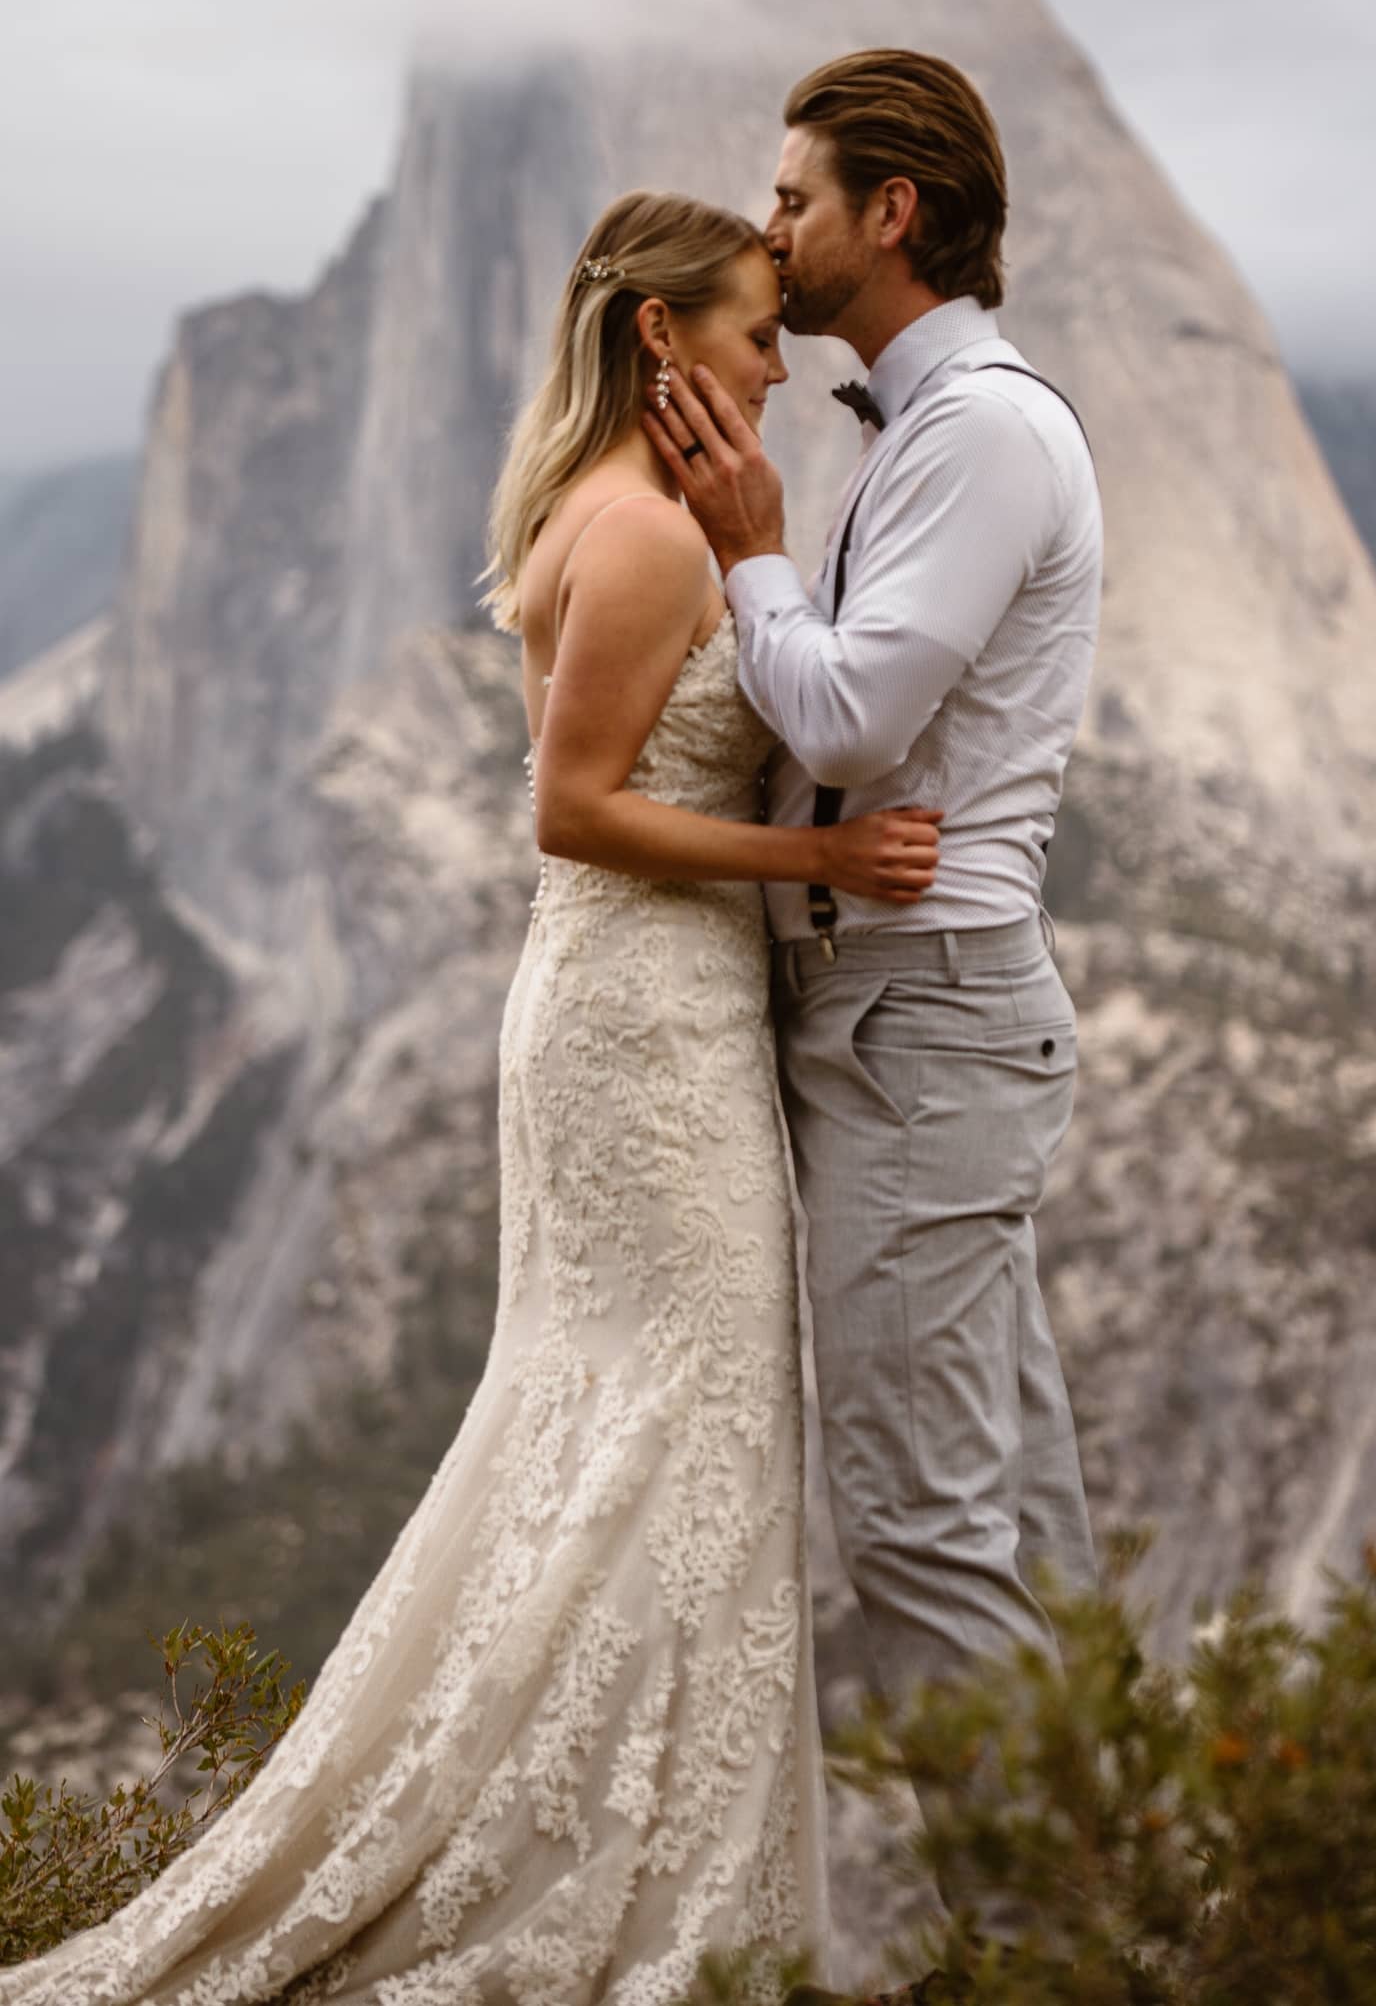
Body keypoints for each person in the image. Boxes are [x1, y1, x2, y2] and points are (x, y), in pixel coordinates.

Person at [0, 190, 943, 2006]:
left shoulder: (605, 508)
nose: (776, 357)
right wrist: (823, 853)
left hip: (623, 1012)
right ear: (664, 340)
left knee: (613, 1435)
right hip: (644, 1024)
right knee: (678, 1431)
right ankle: (635, 1901)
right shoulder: (655, 538)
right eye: (755, 328)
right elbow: (570, 804)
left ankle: (616, 1859)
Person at [647, 54, 1103, 1971]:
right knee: (1018, 1519)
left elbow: (847, 724)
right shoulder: (923, 426)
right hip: (903, 1021)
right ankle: (1131, 1922)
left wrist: (751, 542)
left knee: (925, 1531)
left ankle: (1050, 1956)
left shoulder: (984, 431)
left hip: (923, 1021)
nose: (770, 229)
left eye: (796, 199)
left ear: (891, 210)